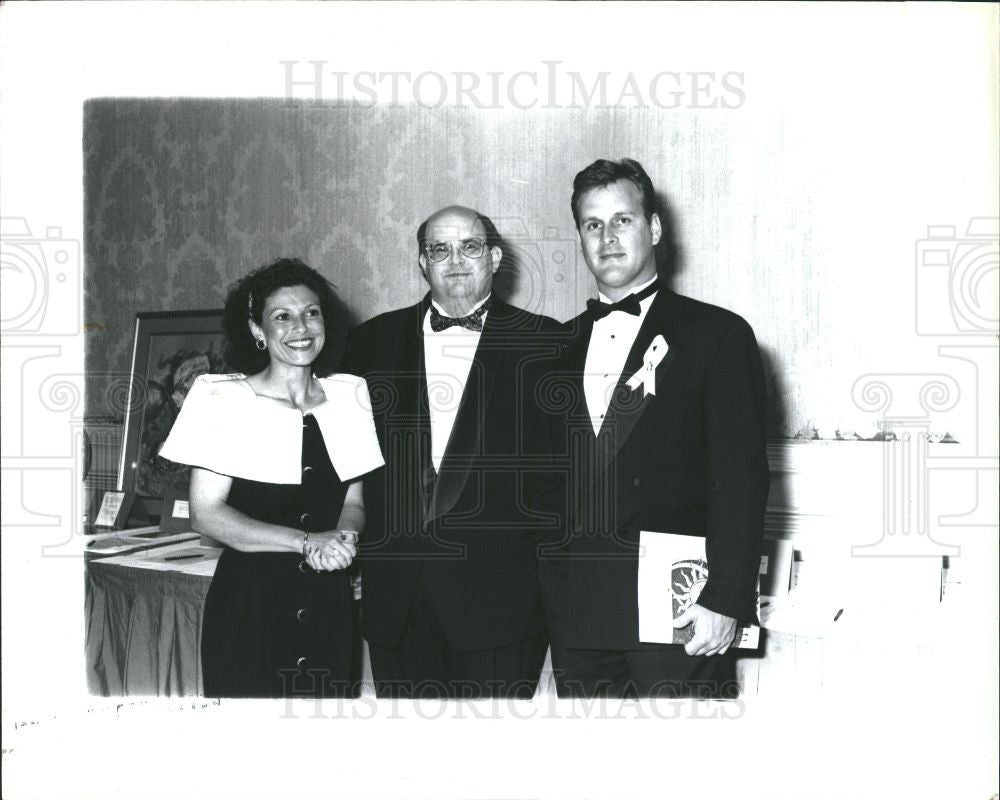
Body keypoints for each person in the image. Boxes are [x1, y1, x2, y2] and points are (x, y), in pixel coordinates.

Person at [538, 158, 770, 698]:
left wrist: (726, 600)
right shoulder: (554, 348)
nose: (607, 237)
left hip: (680, 612)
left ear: (655, 228)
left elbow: (740, 481)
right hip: (580, 616)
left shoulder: (717, 335)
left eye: (622, 220)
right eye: (592, 225)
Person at [343, 206, 561, 699]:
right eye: (439, 249)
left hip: (503, 609)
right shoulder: (369, 344)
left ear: (496, 258)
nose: (455, 260)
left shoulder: (547, 342)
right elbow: (345, 464)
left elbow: (562, 486)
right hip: (396, 603)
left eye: (470, 247)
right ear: (422, 263)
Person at [159, 258, 384, 698]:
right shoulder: (221, 398)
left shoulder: (350, 394)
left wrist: (344, 540)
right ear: (257, 330)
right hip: (252, 606)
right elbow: (206, 515)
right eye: (282, 316)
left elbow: (353, 502)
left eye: (311, 312)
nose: (300, 326)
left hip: (329, 605)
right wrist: (306, 542)